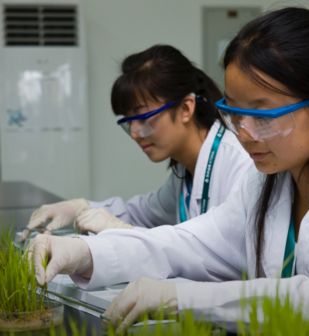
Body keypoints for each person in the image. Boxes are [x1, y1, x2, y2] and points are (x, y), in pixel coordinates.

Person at [30, 7, 309, 335]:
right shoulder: (267, 185)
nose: (244, 134)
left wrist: (186, 298)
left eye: (263, 114)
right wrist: (84, 252)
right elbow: (187, 243)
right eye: (236, 112)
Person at [21, 45, 251, 238]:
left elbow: (222, 255)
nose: (135, 133)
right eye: (129, 121)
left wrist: (127, 232)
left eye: (143, 118)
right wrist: (81, 208)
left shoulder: (238, 163)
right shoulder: (186, 171)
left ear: (186, 108)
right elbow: (145, 212)